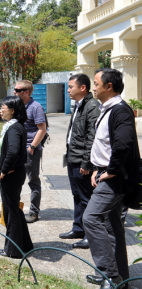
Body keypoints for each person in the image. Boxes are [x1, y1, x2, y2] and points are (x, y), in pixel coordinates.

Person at [83, 68, 140, 288]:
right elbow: (106, 145)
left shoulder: (119, 110)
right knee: (112, 225)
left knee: (90, 219)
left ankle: (109, 274)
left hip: (115, 179)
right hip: (107, 172)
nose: (93, 88)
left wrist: (111, 170)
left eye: (96, 84)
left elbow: (123, 144)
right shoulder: (108, 109)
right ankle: (121, 278)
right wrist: (98, 168)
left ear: (109, 87)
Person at [59, 74, 99, 249]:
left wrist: (86, 163)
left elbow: (92, 138)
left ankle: (90, 235)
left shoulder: (91, 106)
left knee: (86, 198)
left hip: (82, 161)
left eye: (70, 87)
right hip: (72, 157)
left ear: (82, 88)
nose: (68, 90)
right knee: (77, 196)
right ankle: (78, 228)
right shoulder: (78, 105)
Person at [0, 96, 34, 259]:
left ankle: (12, 250)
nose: (0, 109)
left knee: (11, 212)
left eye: (3, 106)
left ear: (13, 110)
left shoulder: (13, 128)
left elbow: (12, 152)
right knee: (15, 210)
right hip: (15, 173)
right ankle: (24, 244)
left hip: (11, 175)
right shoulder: (15, 126)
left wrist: (4, 170)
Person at [14, 80, 47, 223]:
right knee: (14, 180)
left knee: (33, 180)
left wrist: (32, 147)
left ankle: (34, 211)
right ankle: (12, 208)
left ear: (26, 92)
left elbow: (42, 129)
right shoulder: (17, 106)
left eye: (17, 90)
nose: (14, 92)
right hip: (16, 149)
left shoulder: (36, 107)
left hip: (30, 150)